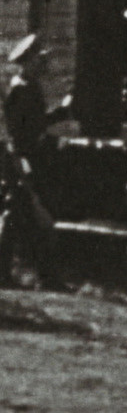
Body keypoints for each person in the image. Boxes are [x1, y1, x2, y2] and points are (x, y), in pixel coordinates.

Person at [0, 34, 70, 288]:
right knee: (33, 217)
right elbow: (26, 130)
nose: (44, 64)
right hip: (24, 160)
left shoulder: (25, 86)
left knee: (22, 217)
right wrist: (62, 112)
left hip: (25, 158)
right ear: (28, 61)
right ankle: (47, 279)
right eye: (39, 59)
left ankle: (30, 276)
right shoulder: (22, 90)